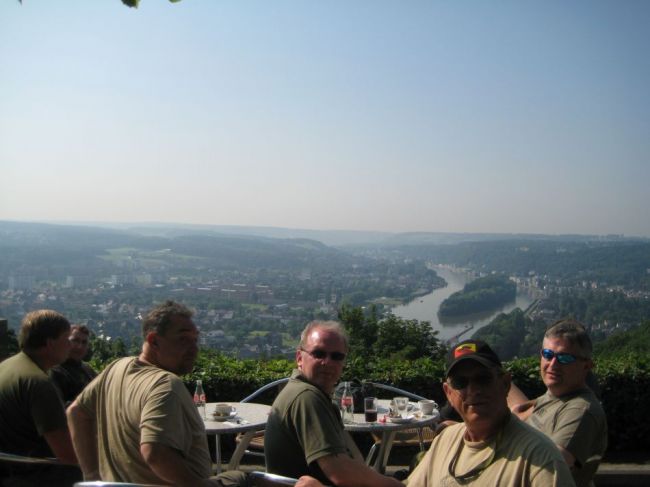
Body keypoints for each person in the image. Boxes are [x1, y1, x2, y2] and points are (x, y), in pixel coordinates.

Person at [295, 339, 575, 487]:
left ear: (504, 383)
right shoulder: (446, 440)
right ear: (448, 393)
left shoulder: (540, 460)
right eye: (461, 383)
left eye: (483, 379)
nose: (473, 390)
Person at [66, 300, 247, 487]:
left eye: (195, 339)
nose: (194, 348)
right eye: (183, 339)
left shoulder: (116, 368)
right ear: (154, 341)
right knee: (248, 478)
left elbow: (76, 412)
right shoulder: (165, 385)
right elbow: (155, 453)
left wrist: (92, 475)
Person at [264, 320, 403, 487]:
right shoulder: (307, 397)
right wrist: (392, 484)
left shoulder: (304, 392)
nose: (327, 362)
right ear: (300, 358)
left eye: (336, 356)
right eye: (319, 353)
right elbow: (340, 472)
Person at [509, 319, 607, 487]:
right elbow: (517, 409)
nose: (553, 364)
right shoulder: (555, 396)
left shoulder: (581, 411)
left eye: (565, 358)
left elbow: (550, 467)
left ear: (587, 366)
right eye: (547, 354)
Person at [0, 310, 80, 487]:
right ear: (50, 343)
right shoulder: (39, 383)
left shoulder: (7, 366)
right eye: (66, 339)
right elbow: (67, 455)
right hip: (31, 476)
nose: (71, 346)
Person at [49, 324, 97, 406]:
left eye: (84, 342)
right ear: (65, 342)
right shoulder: (54, 371)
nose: (80, 346)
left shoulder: (88, 370)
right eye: (75, 340)